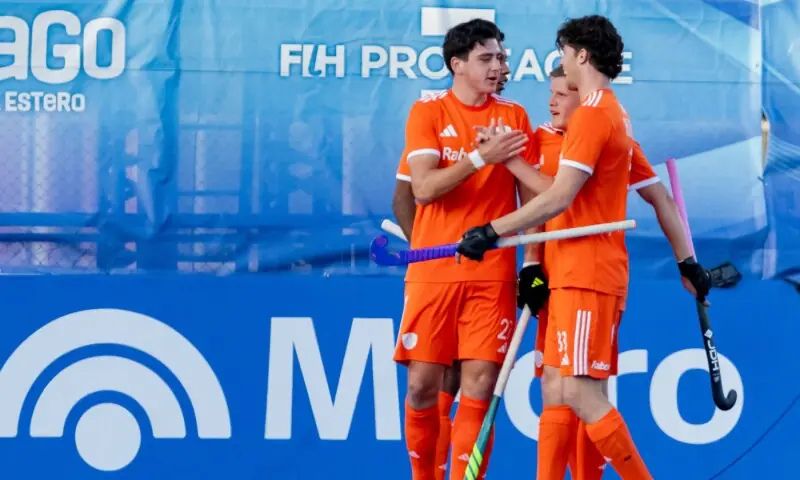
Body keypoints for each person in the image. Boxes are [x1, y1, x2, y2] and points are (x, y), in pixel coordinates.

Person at [456, 15, 663, 479]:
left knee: (582, 393)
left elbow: (558, 196)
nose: (562, 67)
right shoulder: (600, 113)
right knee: (567, 389)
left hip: (588, 270)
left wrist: (492, 231)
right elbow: (553, 193)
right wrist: (527, 257)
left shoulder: (595, 113)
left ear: (581, 56)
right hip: (573, 271)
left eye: (565, 55)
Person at [394, 18, 538, 480]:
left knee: (480, 384)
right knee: (421, 386)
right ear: (457, 64)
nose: (498, 66)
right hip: (435, 271)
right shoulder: (428, 112)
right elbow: (422, 189)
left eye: (500, 57)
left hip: (491, 272)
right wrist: (480, 158)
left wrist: (531, 266)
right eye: (486, 58)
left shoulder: (515, 117)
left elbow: (533, 201)